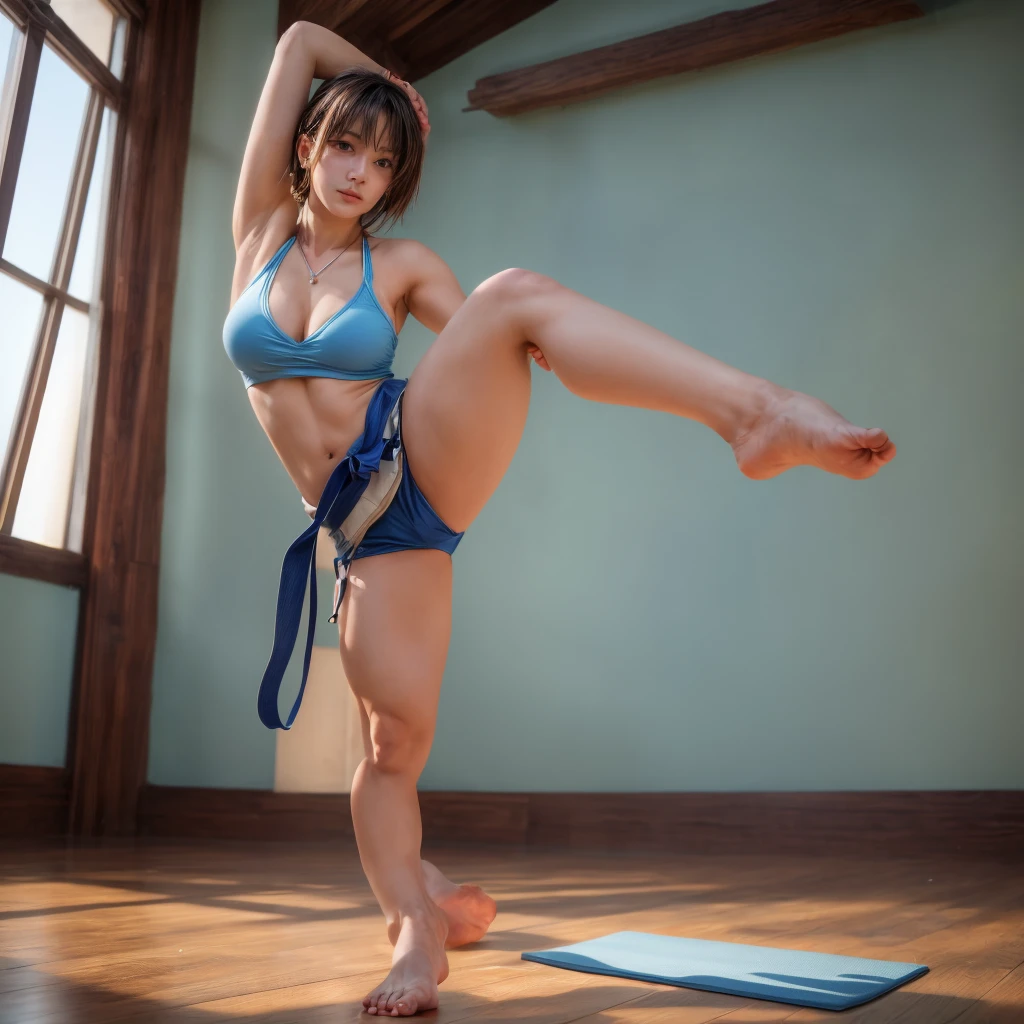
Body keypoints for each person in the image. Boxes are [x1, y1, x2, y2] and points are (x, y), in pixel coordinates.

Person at [222, 20, 897, 1018]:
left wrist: (520, 339)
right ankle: (421, 904)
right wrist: (391, 92)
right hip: (361, 532)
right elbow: (296, 43)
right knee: (391, 745)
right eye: (346, 146)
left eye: (385, 156)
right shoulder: (256, 237)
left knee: (513, 298)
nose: (362, 170)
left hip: (414, 457)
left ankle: (756, 412)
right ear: (308, 145)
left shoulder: (399, 265)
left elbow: (499, 343)